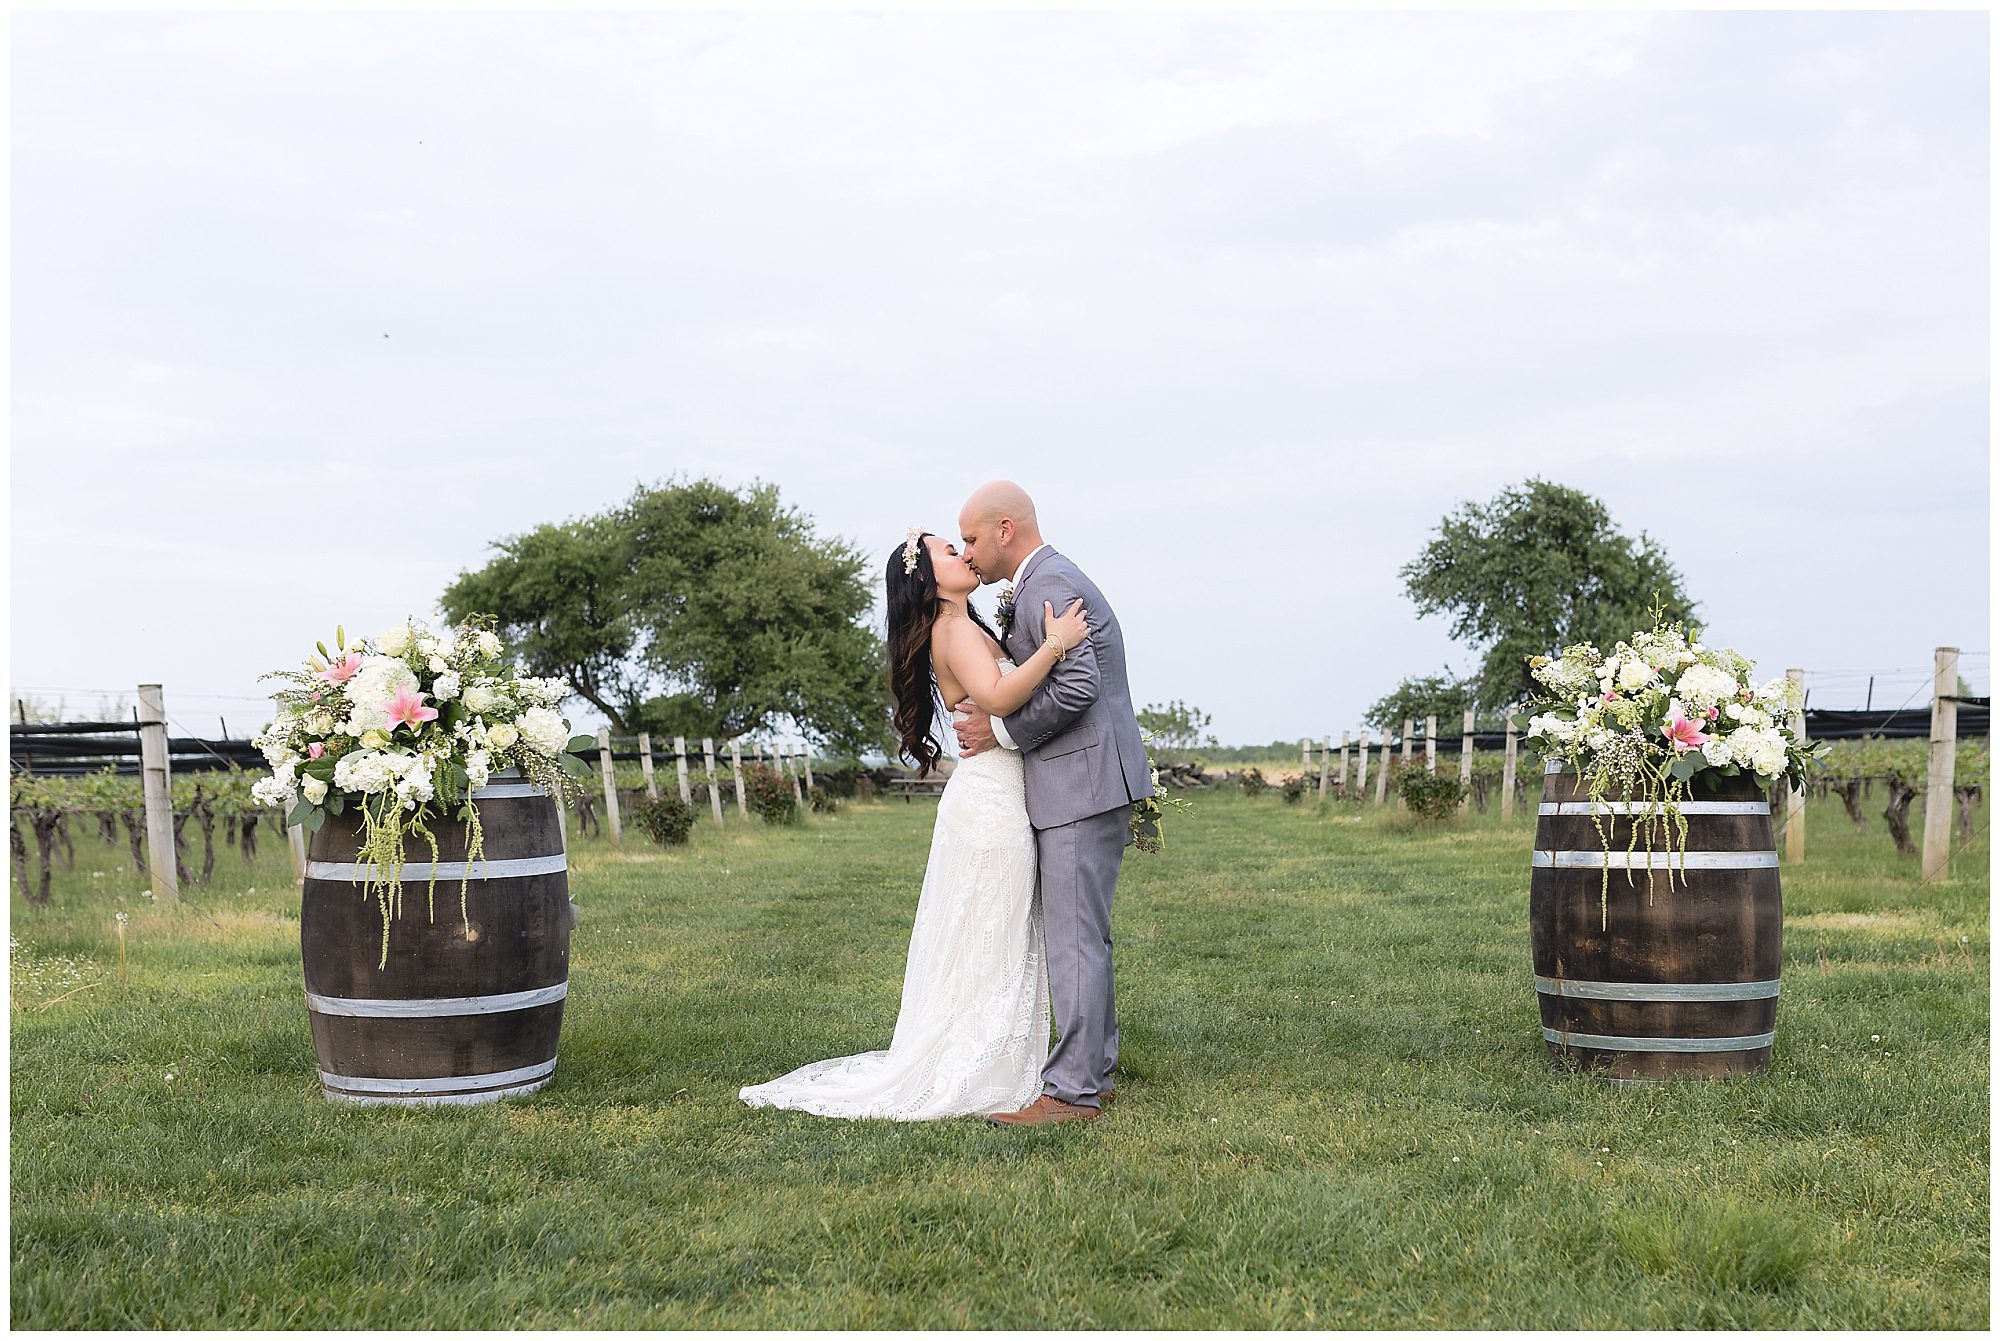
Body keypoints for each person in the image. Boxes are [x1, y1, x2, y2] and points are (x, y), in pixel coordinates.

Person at [738, 526, 1091, 1120]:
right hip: (989, 806)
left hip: (993, 794)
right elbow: (1000, 697)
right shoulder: (952, 630)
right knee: (989, 931)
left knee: (990, 930)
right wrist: (1055, 647)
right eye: (950, 552)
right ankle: (983, 1062)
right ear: (926, 577)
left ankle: (1002, 1055)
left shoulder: (964, 626)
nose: (965, 553)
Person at [953, 480, 1153, 1126]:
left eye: (973, 538)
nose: (969, 551)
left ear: (1005, 529)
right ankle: (1094, 1071)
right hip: (1088, 780)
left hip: (1081, 783)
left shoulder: (1048, 584)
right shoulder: (1046, 580)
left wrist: (1001, 731)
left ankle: (1070, 1092)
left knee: (1073, 938)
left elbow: (1078, 687)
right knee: (1082, 933)